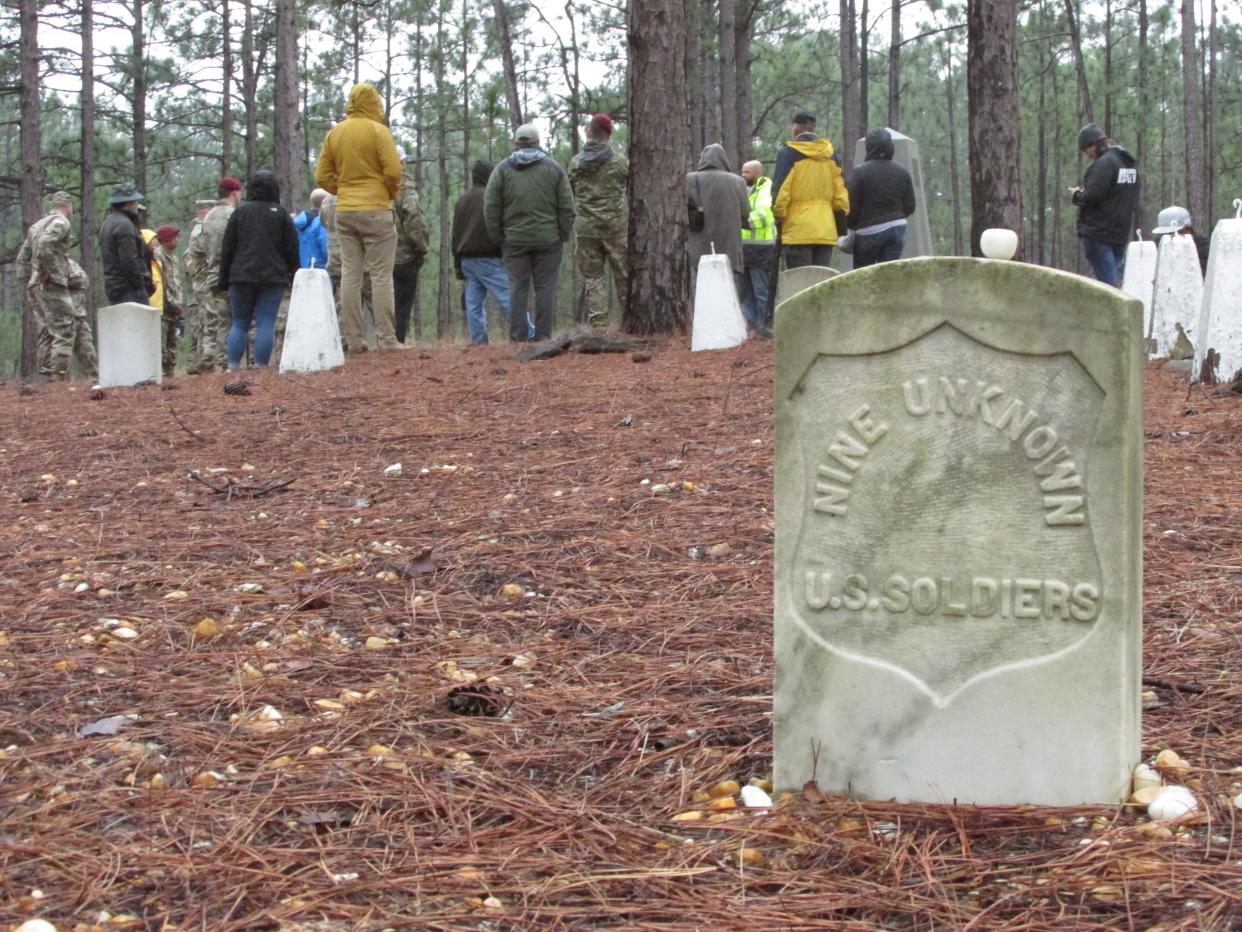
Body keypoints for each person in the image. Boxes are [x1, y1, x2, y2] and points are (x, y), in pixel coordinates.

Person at [314, 83, 403, 352]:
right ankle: (386, 339)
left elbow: (321, 176)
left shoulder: (335, 134)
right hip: (376, 208)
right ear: (375, 102)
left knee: (350, 274)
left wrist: (343, 190)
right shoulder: (379, 131)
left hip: (345, 210)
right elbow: (393, 171)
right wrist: (388, 193)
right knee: (380, 275)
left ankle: (354, 340)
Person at [485, 123, 575, 341]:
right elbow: (567, 207)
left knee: (517, 288)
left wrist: (499, 238)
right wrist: (562, 235)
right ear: (537, 143)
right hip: (548, 240)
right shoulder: (554, 169)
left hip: (514, 241)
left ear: (516, 143)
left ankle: (517, 338)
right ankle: (543, 337)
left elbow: (490, 208)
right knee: (545, 288)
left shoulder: (502, 170)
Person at [217, 170, 300, 370]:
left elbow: (227, 248)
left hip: (240, 276)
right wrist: (295, 274)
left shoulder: (240, 213)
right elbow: (291, 249)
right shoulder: (280, 214)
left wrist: (223, 279)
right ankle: (261, 366)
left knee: (239, 323)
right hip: (272, 277)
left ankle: (232, 366)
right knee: (265, 322)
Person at [17, 191, 97, 380]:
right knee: (65, 329)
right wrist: (53, 274)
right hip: (54, 285)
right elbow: (46, 245)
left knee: (50, 330)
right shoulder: (61, 222)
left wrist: (32, 280)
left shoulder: (36, 226)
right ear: (68, 207)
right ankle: (59, 381)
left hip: (38, 288)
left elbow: (22, 260)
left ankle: (78, 377)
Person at [568, 113, 628, 326]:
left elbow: (571, 190)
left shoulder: (576, 163)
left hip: (587, 229)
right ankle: (630, 320)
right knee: (623, 275)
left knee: (593, 279)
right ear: (608, 134)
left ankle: (599, 326)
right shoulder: (620, 162)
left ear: (590, 132)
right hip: (615, 228)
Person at [771, 111, 850, 268]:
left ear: (795, 128)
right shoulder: (832, 156)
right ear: (813, 129)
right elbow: (841, 198)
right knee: (819, 283)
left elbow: (780, 194)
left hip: (797, 231)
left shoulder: (788, 154)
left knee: (801, 284)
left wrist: (778, 217)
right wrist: (839, 224)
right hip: (825, 230)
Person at [1070, 122, 1140, 287]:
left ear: (1093, 145)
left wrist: (1077, 195)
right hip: (1119, 234)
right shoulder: (1128, 163)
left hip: (1099, 234)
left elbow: (1093, 195)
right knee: (1113, 283)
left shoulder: (1104, 164)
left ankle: (1109, 313)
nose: (1087, 155)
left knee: (1109, 289)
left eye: (1086, 150)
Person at [452, 160, 511, 344]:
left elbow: (455, 235)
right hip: (488, 257)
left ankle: (479, 341)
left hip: (466, 260)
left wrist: (458, 266)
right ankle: (527, 333)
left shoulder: (462, 200)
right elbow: (498, 228)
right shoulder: (491, 197)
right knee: (507, 296)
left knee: (473, 304)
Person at [189, 177, 243, 370]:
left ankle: (222, 363)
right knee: (242, 320)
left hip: (213, 276)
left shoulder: (208, 217)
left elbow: (201, 249)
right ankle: (247, 362)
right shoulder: (235, 214)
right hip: (234, 275)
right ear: (235, 192)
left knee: (222, 321)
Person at [846, 128, 916, 269]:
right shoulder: (902, 172)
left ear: (869, 147)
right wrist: (894, 217)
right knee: (888, 275)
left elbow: (852, 207)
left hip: (867, 232)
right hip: (897, 228)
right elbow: (910, 206)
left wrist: (851, 226)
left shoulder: (860, 173)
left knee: (863, 277)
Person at [686, 143, 750, 297]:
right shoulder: (738, 182)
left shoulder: (690, 179)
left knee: (700, 289)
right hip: (729, 243)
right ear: (724, 159)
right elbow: (746, 212)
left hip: (697, 242)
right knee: (727, 288)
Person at [393, 146, 429, 343]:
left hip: (378, 256)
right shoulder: (404, 187)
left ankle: (384, 341)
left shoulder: (374, 187)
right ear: (401, 162)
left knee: (382, 304)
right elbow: (413, 218)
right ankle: (397, 342)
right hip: (404, 256)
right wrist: (420, 247)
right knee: (402, 305)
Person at [98, 183, 154, 305]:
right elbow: (129, 262)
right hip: (130, 291)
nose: (137, 205)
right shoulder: (125, 225)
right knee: (140, 323)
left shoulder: (107, 223)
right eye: (135, 201)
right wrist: (141, 286)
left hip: (115, 289)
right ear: (128, 203)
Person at [739, 159, 775, 332]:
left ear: (757, 173)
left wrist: (741, 221)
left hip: (761, 248)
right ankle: (751, 326)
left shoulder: (766, 188)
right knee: (746, 292)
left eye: (747, 172)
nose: (743, 175)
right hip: (745, 247)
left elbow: (765, 215)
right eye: (743, 171)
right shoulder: (743, 189)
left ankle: (764, 327)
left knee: (761, 291)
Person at [183, 199, 216, 373]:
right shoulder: (200, 231)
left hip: (200, 284)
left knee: (204, 323)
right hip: (204, 283)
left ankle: (202, 359)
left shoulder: (198, 230)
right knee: (209, 321)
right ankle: (207, 359)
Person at [152, 225, 184, 376]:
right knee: (160, 345)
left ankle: (170, 374)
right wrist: (172, 303)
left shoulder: (173, 258)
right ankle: (159, 375)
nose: (177, 241)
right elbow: (162, 284)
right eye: (174, 238)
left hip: (174, 310)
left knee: (172, 344)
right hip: (164, 309)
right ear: (166, 240)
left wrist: (179, 302)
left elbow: (175, 283)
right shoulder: (158, 256)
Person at [1151, 205, 1209, 274]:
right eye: (1166, 234)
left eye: (1174, 233)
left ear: (1188, 230)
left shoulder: (1203, 248)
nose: (1170, 237)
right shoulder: (1158, 246)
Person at [292, 188, 330, 270]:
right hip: (319, 270)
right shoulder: (320, 222)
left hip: (301, 270)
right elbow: (326, 248)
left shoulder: (297, 224)